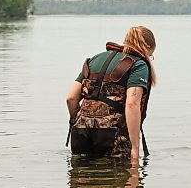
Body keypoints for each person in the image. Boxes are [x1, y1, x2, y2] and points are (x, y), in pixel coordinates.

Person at [65, 26, 156, 160]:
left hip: (80, 131)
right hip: (113, 135)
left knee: (81, 178)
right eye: (151, 55)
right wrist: (135, 149)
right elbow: (132, 104)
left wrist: (79, 121)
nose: (149, 58)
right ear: (147, 47)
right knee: (118, 179)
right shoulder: (138, 64)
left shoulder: (95, 59)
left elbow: (71, 98)